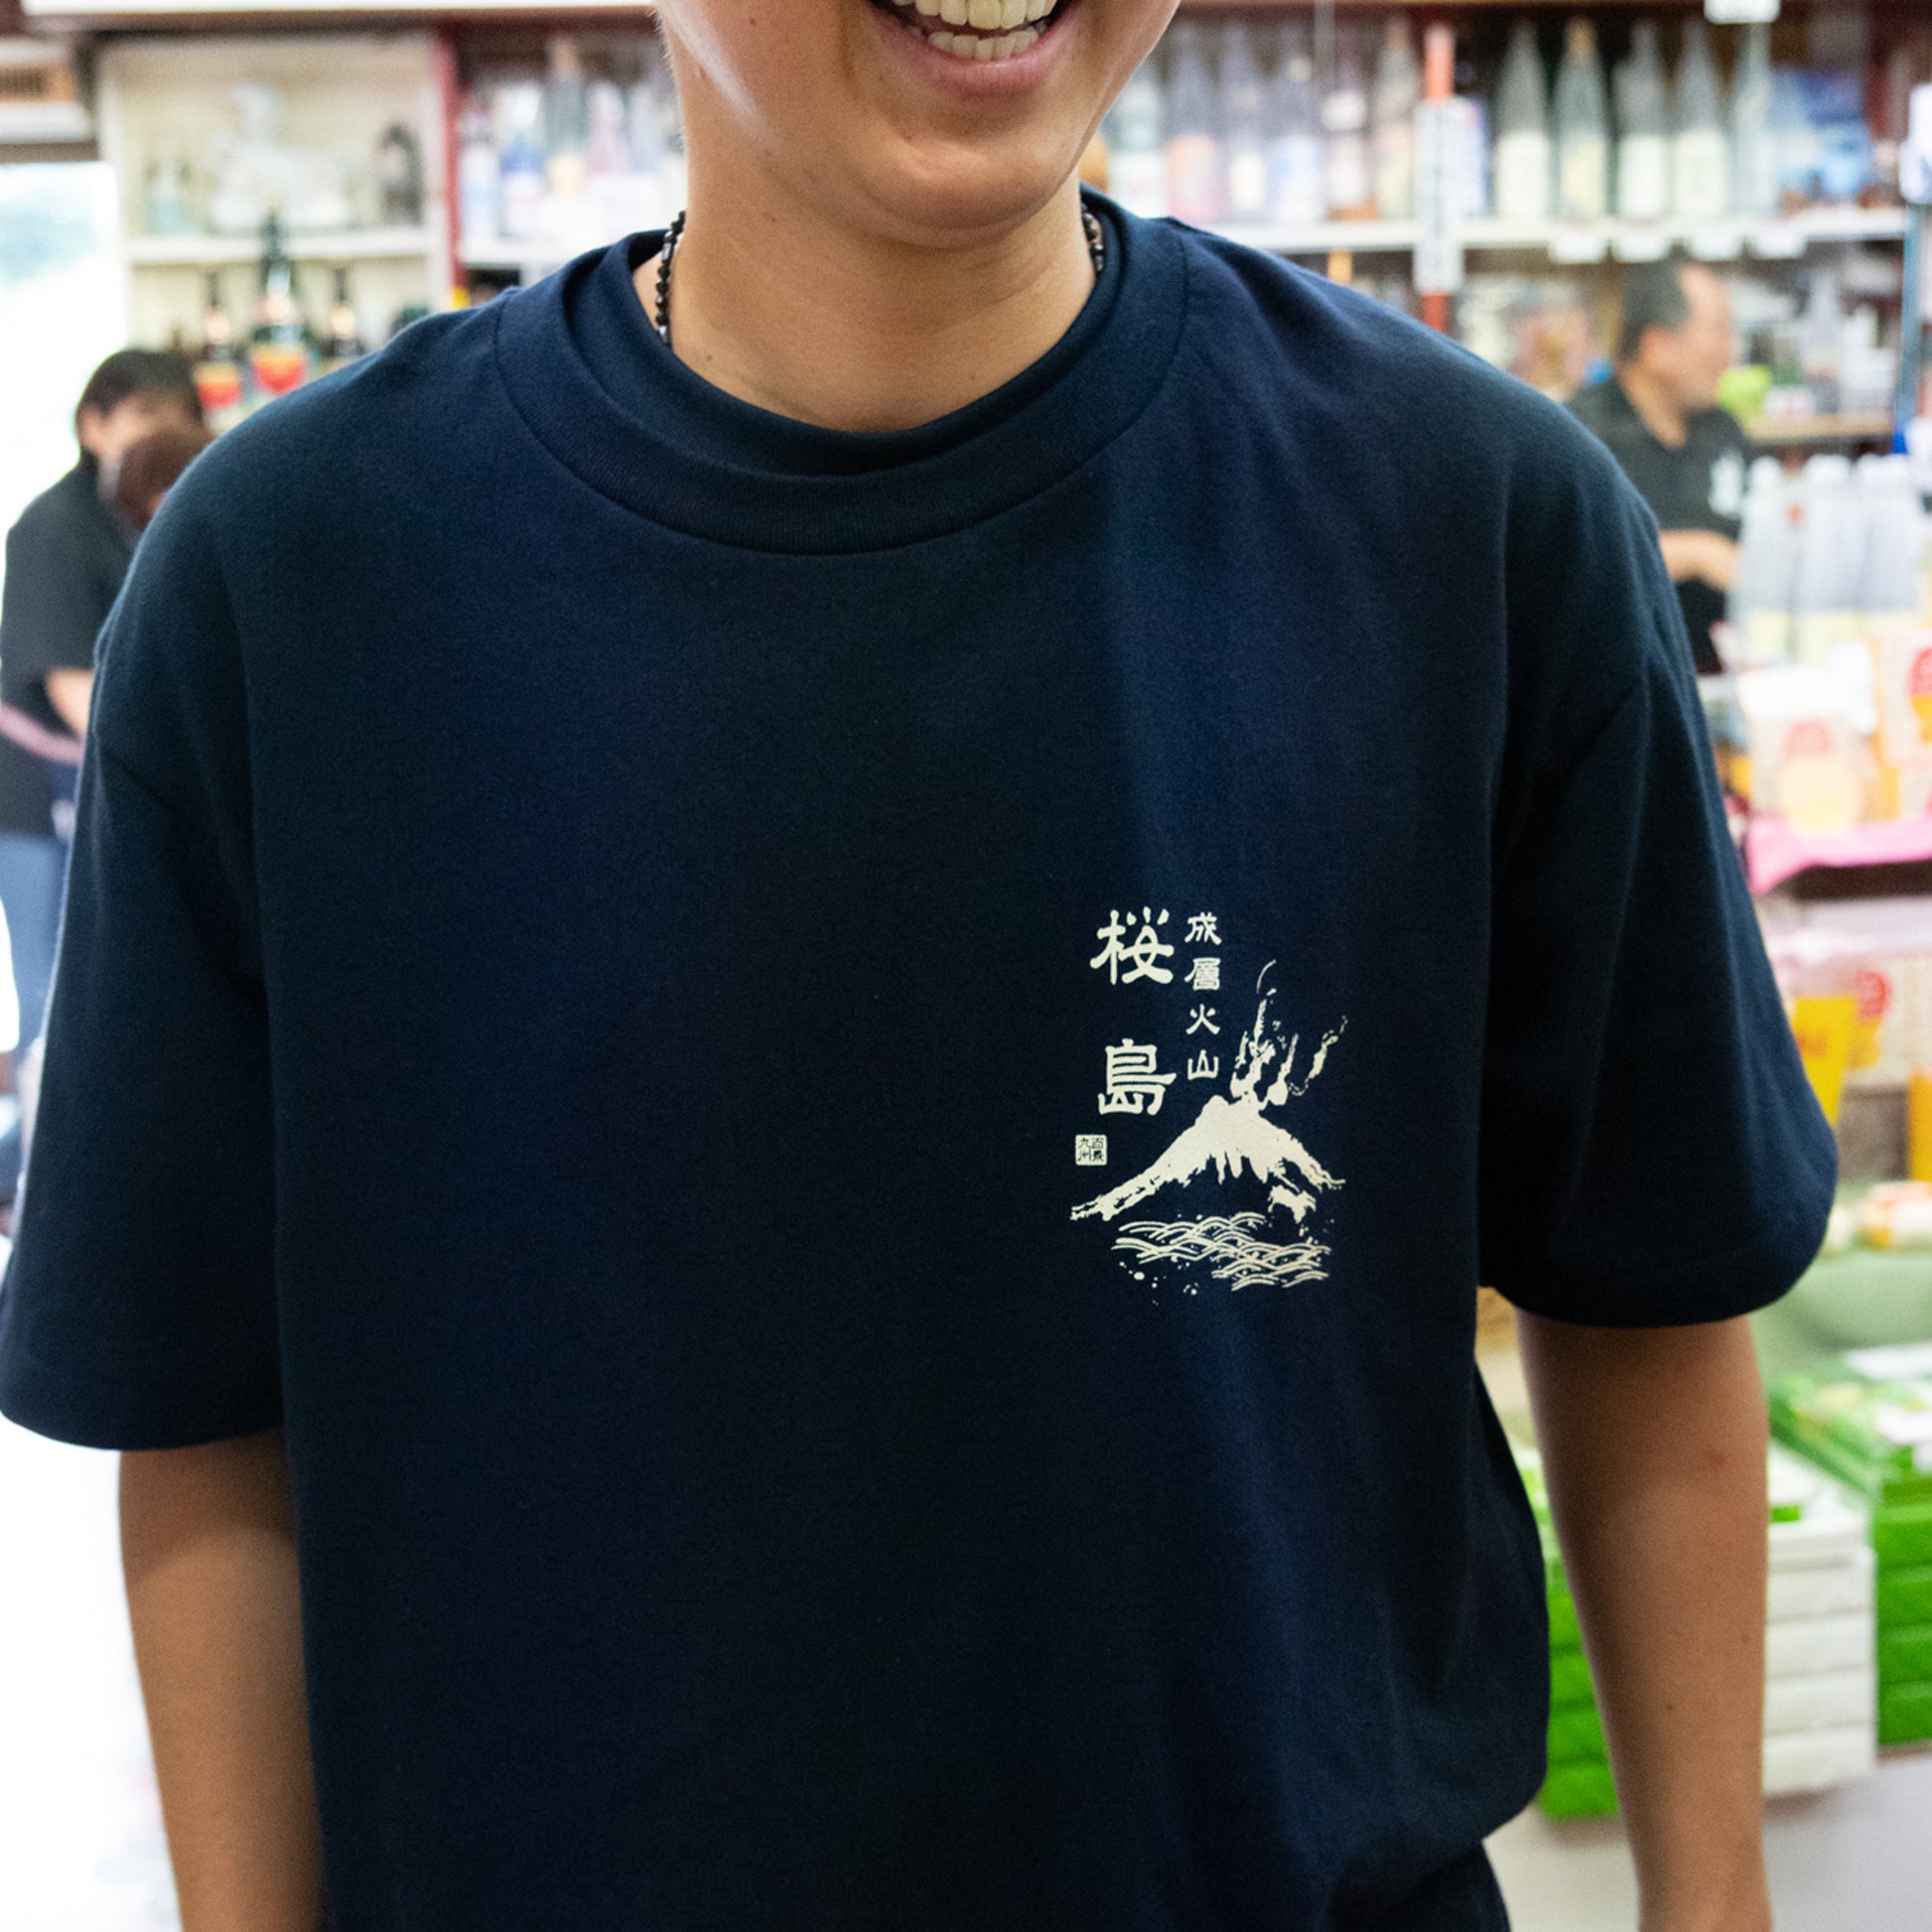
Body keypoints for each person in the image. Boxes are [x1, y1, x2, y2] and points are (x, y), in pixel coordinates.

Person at [0, 9, 1832, 1932]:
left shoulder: (1476, 523)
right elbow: (203, 1410)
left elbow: (1651, 1277)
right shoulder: (290, 583)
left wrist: (1711, 1904)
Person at [0, 349, 204, 1207]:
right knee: (56, 997)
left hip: (120, 783)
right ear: (93, 424)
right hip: (40, 797)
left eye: (177, 420)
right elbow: (74, 692)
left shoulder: (163, 513)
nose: (160, 438)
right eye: (143, 418)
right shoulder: (51, 529)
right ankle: (34, 1189)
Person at [1568, 258, 1752, 675]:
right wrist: (1698, 553)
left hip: (1722, 670)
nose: (1730, 353)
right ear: (1657, 346)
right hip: (1616, 678)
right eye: (1720, 332)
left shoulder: (1723, 429)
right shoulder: (1580, 437)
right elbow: (1568, 558)